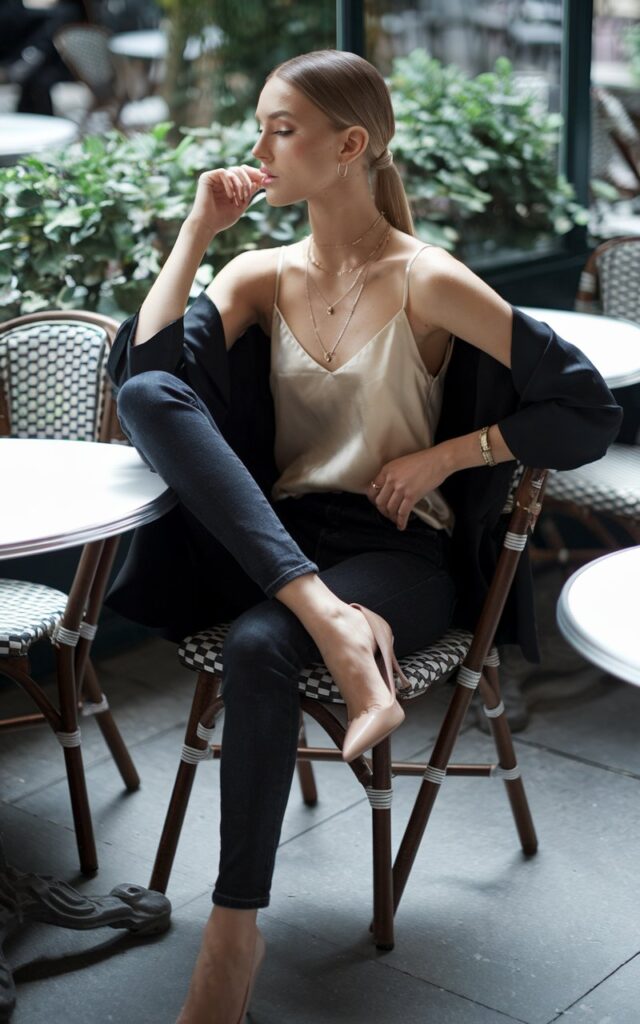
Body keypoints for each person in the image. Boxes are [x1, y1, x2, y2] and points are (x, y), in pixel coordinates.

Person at [105, 50, 621, 1024]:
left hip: (396, 550)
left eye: (280, 128)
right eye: (258, 126)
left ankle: (230, 936)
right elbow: (144, 378)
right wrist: (194, 229)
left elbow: (584, 406)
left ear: (349, 146)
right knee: (146, 391)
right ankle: (334, 632)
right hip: (277, 538)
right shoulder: (258, 271)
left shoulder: (428, 279)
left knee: (258, 646)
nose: (257, 149)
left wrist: (449, 455)